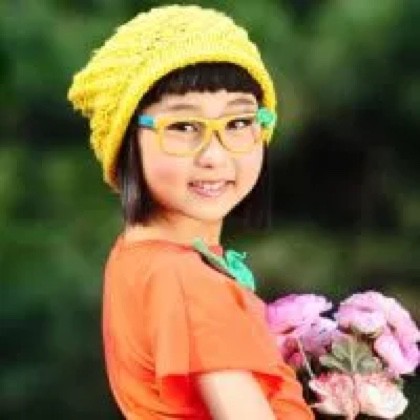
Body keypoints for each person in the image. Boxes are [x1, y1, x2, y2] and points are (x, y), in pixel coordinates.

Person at [68, 4, 314, 419]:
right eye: (183, 127)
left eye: (239, 122)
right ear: (127, 142)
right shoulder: (188, 280)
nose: (214, 156)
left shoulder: (138, 257)